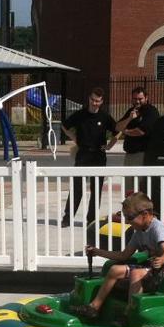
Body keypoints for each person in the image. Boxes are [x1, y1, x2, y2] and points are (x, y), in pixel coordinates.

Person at [77, 193, 164, 318]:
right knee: (114, 270)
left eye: (130, 217)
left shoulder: (158, 229)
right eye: (125, 217)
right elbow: (124, 255)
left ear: (145, 214)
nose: (127, 221)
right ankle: (94, 307)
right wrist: (97, 251)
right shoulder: (139, 232)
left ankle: (129, 314)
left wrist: (160, 260)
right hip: (153, 266)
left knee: (136, 273)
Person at [60, 88, 119, 232]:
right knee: (77, 188)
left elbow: (117, 131)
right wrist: (75, 138)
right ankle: (67, 218)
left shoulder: (105, 117)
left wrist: (110, 145)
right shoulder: (80, 114)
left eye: (97, 101)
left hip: (99, 155)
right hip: (83, 154)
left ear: (102, 102)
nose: (94, 103)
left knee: (96, 189)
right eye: (92, 100)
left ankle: (91, 219)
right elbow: (64, 126)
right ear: (89, 99)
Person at [114, 85, 159, 167]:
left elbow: (140, 131)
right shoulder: (131, 111)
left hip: (143, 154)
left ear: (146, 98)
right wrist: (129, 119)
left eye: (140, 99)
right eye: (135, 99)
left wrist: (125, 131)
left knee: (140, 176)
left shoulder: (151, 111)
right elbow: (117, 127)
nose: (137, 101)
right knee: (128, 176)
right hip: (129, 154)